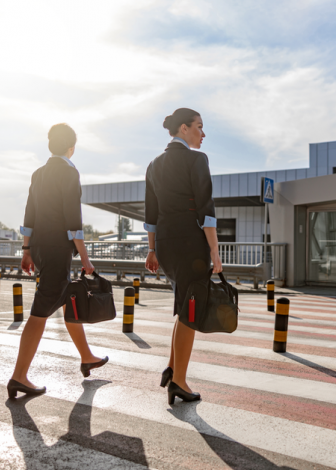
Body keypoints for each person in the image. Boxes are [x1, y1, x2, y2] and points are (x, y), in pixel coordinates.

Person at [8, 123, 107, 399]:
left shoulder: (38, 173)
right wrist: (85, 258)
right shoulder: (69, 171)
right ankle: (19, 376)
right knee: (41, 311)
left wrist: (26, 249)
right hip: (55, 250)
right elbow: (73, 219)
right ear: (71, 148)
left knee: (68, 299)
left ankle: (87, 356)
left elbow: (29, 213)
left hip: (40, 248)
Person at [144, 108, 222, 405]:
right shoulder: (196, 159)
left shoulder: (154, 164)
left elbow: (151, 213)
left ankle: (172, 368)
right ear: (184, 128)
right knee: (190, 309)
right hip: (190, 243)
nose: (203, 133)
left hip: (165, 243)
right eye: (199, 127)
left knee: (183, 303)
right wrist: (214, 251)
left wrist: (151, 249)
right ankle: (178, 382)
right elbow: (206, 210)